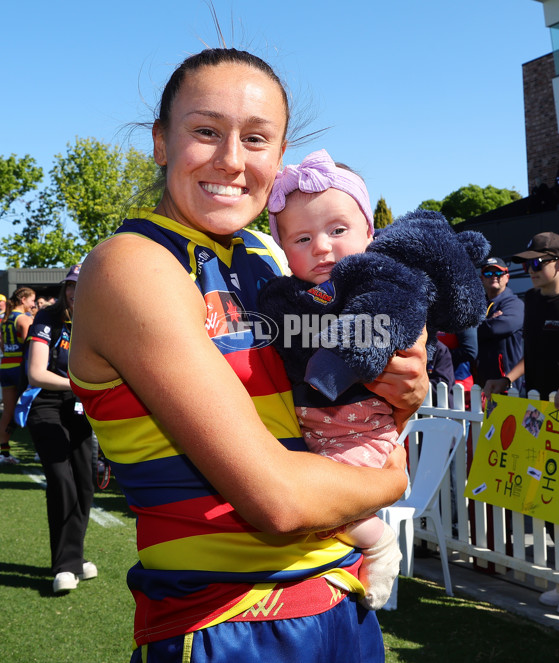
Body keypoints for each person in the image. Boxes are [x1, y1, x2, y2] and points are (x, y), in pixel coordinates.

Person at [68, 48, 428, 663]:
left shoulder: (269, 255)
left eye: (256, 139)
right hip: (227, 619)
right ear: (160, 142)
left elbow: (351, 394)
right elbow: (279, 501)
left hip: (340, 595)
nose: (231, 161)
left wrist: (405, 389)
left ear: (279, 158)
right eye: (205, 131)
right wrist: (390, 481)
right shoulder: (131, 265)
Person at [262, 150, 407, 611]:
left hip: (359, 428)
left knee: (325, 505)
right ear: (283, 249)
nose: (321, 247)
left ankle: (381, 543)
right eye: (302, 238)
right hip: (308, 430)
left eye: (338, 231)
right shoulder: (284, 296)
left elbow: (395, 337)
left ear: (370, 231)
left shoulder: (379, 288)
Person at [484, 232, 559, 617]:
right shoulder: (531, 302)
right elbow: (532, 353)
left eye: (538, 263)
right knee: (542, 493)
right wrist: (510, 378)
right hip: (537, 414)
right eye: (526, 264)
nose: (529, 270)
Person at [26, 265, 97, 593]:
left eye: (80, 286)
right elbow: (36, 373)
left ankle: (76, 556)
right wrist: (77, 384)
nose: (73, 292)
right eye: (70, 286)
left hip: (81, 406)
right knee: (62, 481)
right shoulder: (46, 320)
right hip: (47, 405)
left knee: (84, 483)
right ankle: (65, 566)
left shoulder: (97, 318)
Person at [476, 257, 524, 395]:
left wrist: (476, 326)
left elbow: (500, 327)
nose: (494, 277)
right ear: (482, 279)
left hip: (508, 384)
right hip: (481, 383)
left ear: (507, 277)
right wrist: (489, 321)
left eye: (498, 273)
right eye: (488, 274)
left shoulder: (514, 304)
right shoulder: (478, 305)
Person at [0, 286, 36, 464]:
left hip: (5, 366)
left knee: (8, 410)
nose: (33, 304)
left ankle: (4, 452)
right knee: (33, 407)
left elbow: (2, 343)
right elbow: (31, 346)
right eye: (31, 300)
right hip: (20, 369)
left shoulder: (6, 318)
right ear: (23, 300)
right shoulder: (23, 319)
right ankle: (39, 450)